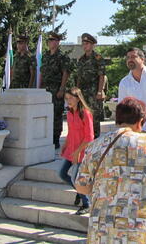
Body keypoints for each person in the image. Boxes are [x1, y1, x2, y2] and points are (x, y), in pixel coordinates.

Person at [75, 97, 146, 243]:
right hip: (139, 227)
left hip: (103, 227)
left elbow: (81, 187)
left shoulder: (95, 145)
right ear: (140, 121)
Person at [59, 87, 94, 216]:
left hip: (82, 151)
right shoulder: (69, 113)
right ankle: (80, 193)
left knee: (75, 178)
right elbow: (70, 133)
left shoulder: (85, 113)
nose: (68, 101)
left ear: (78, 99)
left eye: (71, 98)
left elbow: (89, 137)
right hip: (71, 150)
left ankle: (86, 204)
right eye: (66, 98)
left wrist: (79, 151)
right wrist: (64, 145)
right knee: (62, 174)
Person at [39, 31, 73, 148]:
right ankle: (46, 137)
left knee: (56, 115)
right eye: (49, 41)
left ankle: (55, 139)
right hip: (45, 90)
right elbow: (42, 72)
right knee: (45, 114)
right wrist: (39, 88)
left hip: (56, 89)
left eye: (53, 40)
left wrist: (62, 89)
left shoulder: (62, 57)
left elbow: (65, 73)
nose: (50, 43)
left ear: (58, 42)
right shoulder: (46, 55)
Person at [76, 33, 106, 138]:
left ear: (93, 45)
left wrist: (100, 91)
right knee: (82, 115)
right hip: (83, 93)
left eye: (87, 44)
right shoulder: (81, 59)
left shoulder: (98, 58)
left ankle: (95, 139)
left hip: (94, 92)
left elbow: (102, 76)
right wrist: (77, 91)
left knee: (94, 117)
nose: (85, 46)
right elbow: (79, 77)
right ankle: (85, 139)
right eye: (83, 44)